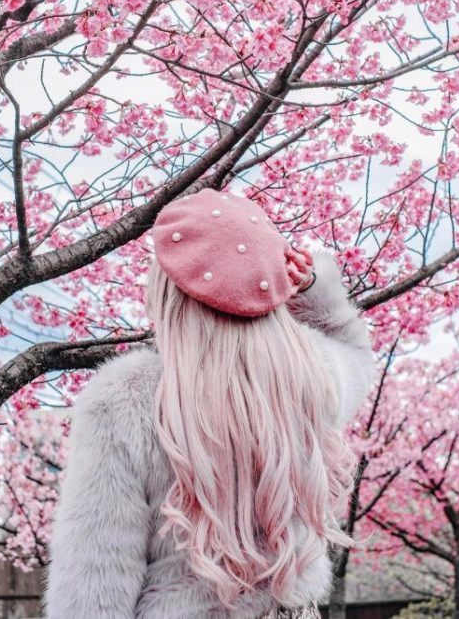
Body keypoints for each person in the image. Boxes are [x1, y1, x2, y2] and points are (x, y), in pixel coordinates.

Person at [44, 188, 376, 619]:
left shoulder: (125, 401)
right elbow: (353, 353)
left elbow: (95, 582)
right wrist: (314, 291)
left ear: (168, 293)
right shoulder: (308, 380)